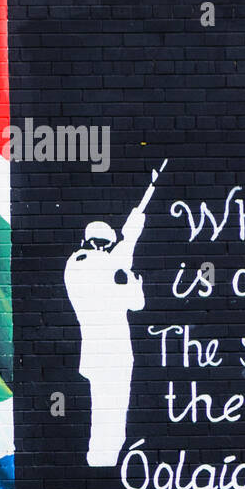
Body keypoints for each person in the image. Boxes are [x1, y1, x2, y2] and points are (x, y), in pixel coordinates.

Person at [64, 163, 162, 467]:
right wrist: (132, 280)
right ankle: (103, 464)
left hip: (95, 355)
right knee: (113, 416)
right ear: (99, 244)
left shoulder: (76, 266)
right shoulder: (103, 266)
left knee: (103, 414)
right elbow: (137, 301)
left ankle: (100, 461)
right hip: (115, 354)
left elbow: (124, 249)